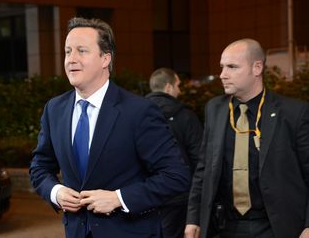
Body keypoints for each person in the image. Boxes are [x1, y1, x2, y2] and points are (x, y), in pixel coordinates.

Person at [30, 17, 191, 238]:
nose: (71, 59)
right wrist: (55, 192)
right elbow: (39, 167)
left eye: (81, 51)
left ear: (105, 58)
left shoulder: (138, 111)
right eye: (68, 51)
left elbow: (176, 176)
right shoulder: (54, 109)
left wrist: (119, 198)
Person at [184, 38, 309, 238]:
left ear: (257, 67)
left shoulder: (294, 113)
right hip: (225, 226)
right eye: (222, 67)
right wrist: (193, 219)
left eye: (232, 67)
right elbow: (203, 170)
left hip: (276, 227)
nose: (223, 75)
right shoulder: (215, 109)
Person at [146, 68, 203, 238]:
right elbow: (199, 158)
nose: (179, 90)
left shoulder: (136, 115)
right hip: (179, 197)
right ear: (169, 88)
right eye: (177, 85)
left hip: (146, 195)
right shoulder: (186, 116)